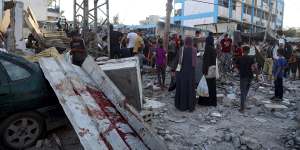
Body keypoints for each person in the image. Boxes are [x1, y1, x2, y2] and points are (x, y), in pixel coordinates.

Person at [175, 37, 197, 112]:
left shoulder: (181, 49)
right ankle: (190, 106)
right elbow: (194, 64)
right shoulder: (194, 50)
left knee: (183, 88)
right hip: (190, 72)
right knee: (190, 89)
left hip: (182, 72)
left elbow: (179, 61)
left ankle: (182, 106)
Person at [236, 46, 257, 112]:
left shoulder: (239, 58)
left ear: (242, 51)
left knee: (243, 92)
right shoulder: (251, 58)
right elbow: (255, 67)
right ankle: (243, 104)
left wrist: (239, 71)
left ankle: (242, 108)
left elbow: (237, 67)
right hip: (250, 76)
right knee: (246, 91)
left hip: (243, 76)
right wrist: (257, 76)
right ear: (248, 51)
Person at [198, 32, 217, 107]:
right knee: (212, 87)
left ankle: (205, 102)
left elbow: (206, 62)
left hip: (208, 70)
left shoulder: (207, 49)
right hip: (213, 70)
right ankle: (212, 102)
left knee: (206, 87)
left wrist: (204, 71)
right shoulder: (213, 49)